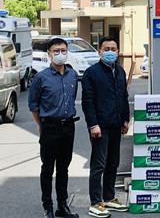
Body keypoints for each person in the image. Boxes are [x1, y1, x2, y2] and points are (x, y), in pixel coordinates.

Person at [28, 37, 80, 218]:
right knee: (48, 168)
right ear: (49, 54)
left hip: (68, 126)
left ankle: (62, 206)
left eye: (63, 51)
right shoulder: (41, 78)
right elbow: (33, 106)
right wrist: (41, 125)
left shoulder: (72, 75)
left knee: (63, 168)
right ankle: (47, 207)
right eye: (56, 51)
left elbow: (71, 98)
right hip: (49, 127)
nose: (60, 54)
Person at [82, 37, 130, 217]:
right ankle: (95, 202)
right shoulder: (92, 73)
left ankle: (109, 198)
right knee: (98, 165)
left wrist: (125, 120)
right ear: (99, 52)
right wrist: (93, 124)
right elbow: (88, 101)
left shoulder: (120, 71)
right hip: (100, 127)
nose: (110, 52)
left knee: (113, 163)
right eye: (106, 49)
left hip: (116, 125)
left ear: (118, 52)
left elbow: (123, 97)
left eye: (113, 49)